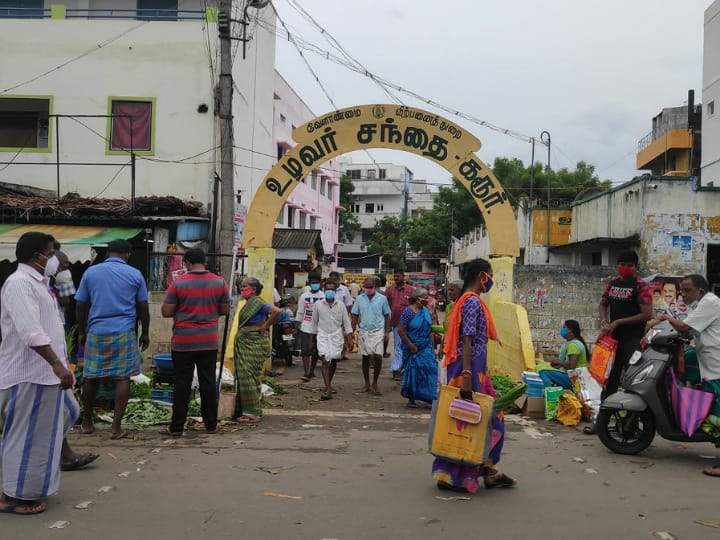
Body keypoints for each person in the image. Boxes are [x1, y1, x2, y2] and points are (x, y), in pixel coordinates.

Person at [0, 232, 79, 515]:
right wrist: (57, 365)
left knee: (68, 412)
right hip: (29, 373)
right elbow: (30, 331)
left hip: (46, 374)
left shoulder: (40, 284)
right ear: (37, 257)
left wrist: (62, 365)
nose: (55, 258)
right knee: (24, 437)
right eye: (51, 252)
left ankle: (31, 482)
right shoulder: (19, 284)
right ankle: (16, 495)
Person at [432, 258, 516, 492]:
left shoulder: (467, 301)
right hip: (468, 371)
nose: (491, 280)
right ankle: (460, 476)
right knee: (476, 420)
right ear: (482, 276)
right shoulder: (472, 302)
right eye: (490, 275)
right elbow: (467, 340)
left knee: (471, 419)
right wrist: (468, 374)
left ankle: (486, 471)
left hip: (473, 370)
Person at [76, 239, 150, 439]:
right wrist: (145, 332)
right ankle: (116, 428)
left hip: (96, 331)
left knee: (91, 376)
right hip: (123, 332)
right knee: (122, 377)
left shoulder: (91, 272)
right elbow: (143, 306)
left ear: (108, 252)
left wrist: (82, 331)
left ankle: (87, 421)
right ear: (128, 254)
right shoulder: (135, 274)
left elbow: (81, 304)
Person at [652, 274, 720, 477]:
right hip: (708, 362)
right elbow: (689, 331)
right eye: (682, 290)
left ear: (700, 290)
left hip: (716, 364)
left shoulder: (709, 302)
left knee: (718, 413)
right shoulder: (701, 305)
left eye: (687, 290)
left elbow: (684, 327)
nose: (684, 294)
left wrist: (664, 318)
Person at [161, 248, 230, 436]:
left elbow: (166, 312)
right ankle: (211, 425)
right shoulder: (220, 282)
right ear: (204, 262)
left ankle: (176, 427)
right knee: (208, 382)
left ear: (187, 263)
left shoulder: (178, 283)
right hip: (208, 340)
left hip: (183, 340)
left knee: (182, 382)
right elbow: (224, 310)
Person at [584, 250, 652, 435]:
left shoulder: (640, 286)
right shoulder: (613, 283)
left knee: (634, 382)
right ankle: (601, 423)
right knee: (608, 383)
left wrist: (619, 322)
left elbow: (647, 314)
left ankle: (633, 425)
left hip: (632, 340)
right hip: (612, 342)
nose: (625, 268)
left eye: (630, 265)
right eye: (622, 264)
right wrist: (604, 322)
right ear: (617, 265)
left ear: (636, 268)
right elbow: (602, 304)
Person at [44, 244, 98, 471]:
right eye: (63, 267)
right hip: (45, 363)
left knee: (66, 409)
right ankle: (61, 455)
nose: (66, 270)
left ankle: (62, 454)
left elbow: (68, 303)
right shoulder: (27, 287)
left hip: (55, 359)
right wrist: (57, 364)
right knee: (63, 409)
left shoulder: (48, 289)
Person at [234, 277, 280, 423]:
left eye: (244, 286)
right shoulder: (248, 303)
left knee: (247, 376)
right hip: (246, 342)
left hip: (254, 343)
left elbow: (276, 311)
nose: (242, 289)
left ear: (253, 289)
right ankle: (248, 410)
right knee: (247, 376)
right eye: (241, 286)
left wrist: (265, 327)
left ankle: (252, 413)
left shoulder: (258, 302)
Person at [310, 280, 353, 400]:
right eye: (327, 289)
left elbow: (346, 323)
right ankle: (328, 387)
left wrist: (349, 338)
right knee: (324, 359)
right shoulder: (318, 305)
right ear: (324, 290)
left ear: (335, 291)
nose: (329, 291)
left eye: (332, 289)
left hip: (336, 336)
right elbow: (314, 323)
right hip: (322, 335)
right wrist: (312, 339)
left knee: (333, 359)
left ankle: (328, 383)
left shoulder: (341, 305)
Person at [398, 288, 437, 408]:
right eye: (425, 297)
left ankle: (428, 396)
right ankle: (412, 397)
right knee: (413, 371)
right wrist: (410, 344)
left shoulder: (426, 311)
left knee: (430, 369)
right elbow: (401, 330)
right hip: (412, 346)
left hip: (426, 345)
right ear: (418, 299)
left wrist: (433, 345)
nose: (427, 300)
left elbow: (429, 329)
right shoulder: (408, 312)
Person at [351, 277, 391, 395]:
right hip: (364, 330)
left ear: (375, 287)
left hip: (378, 330)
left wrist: (387, 332)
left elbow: (387, 315)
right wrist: (352, 331)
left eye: (371, 287)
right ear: (363, 287)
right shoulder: (359, 299)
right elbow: (355, 315)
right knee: (365, 357)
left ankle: (375, 382)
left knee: (378, 356)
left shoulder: (382, 299)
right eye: (366, 287)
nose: (368, 289)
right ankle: (367, 383)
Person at [537, 320, 588, 390]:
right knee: (540, 367)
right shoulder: (570, 344)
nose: (562, 330)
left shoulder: (574, 345)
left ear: (570, 330)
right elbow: (564, 363)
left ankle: (550, 394)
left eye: (564, 328)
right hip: (572, 376)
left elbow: (571, 366)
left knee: (543, 372)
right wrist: (555, 363)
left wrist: (558, 362)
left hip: (575, 380)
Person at [384, 269, 415, 380]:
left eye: (398, 276)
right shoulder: (390, 290)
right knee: (398, 347)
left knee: (407, 347)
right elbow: (385, 306)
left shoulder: (411, 290)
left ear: (403, 277)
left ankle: (403, 369)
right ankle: (396, 369)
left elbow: (415, 305)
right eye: (395, 276)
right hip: (396, 323)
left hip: (410, 324)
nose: (396, 278)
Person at [296, 273, 324, 382]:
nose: (315, 285)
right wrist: (296, 326)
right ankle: (306, 372)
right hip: (306, 326)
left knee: (316, 351)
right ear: (309, 283)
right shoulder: (304, 296)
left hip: (320, 328)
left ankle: (311, 371)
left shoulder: (324, 296)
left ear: (320, 284)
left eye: (317, 283)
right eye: (313, 283)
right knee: (305, 350)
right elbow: (300, 312)